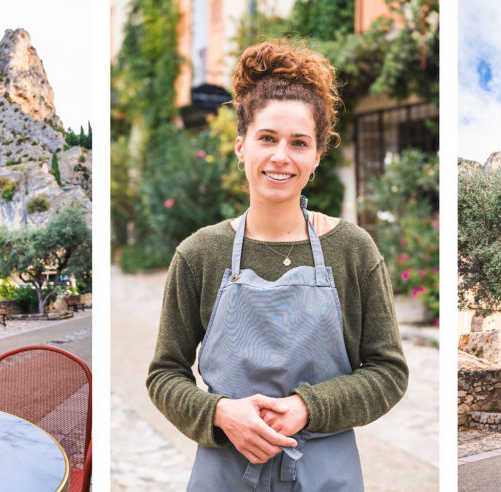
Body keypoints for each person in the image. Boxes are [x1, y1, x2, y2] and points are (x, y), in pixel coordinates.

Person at [146, 41, 409, 491]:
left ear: (317, 156)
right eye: (267, 138)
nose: (281, 156)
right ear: (241, 146)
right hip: (225, 473)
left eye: (299, 143)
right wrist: (219, 413)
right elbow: (163, 374)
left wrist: (309, 407)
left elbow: (389, 371)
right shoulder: (199, 254)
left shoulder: (353, 250)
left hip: (325, 474)